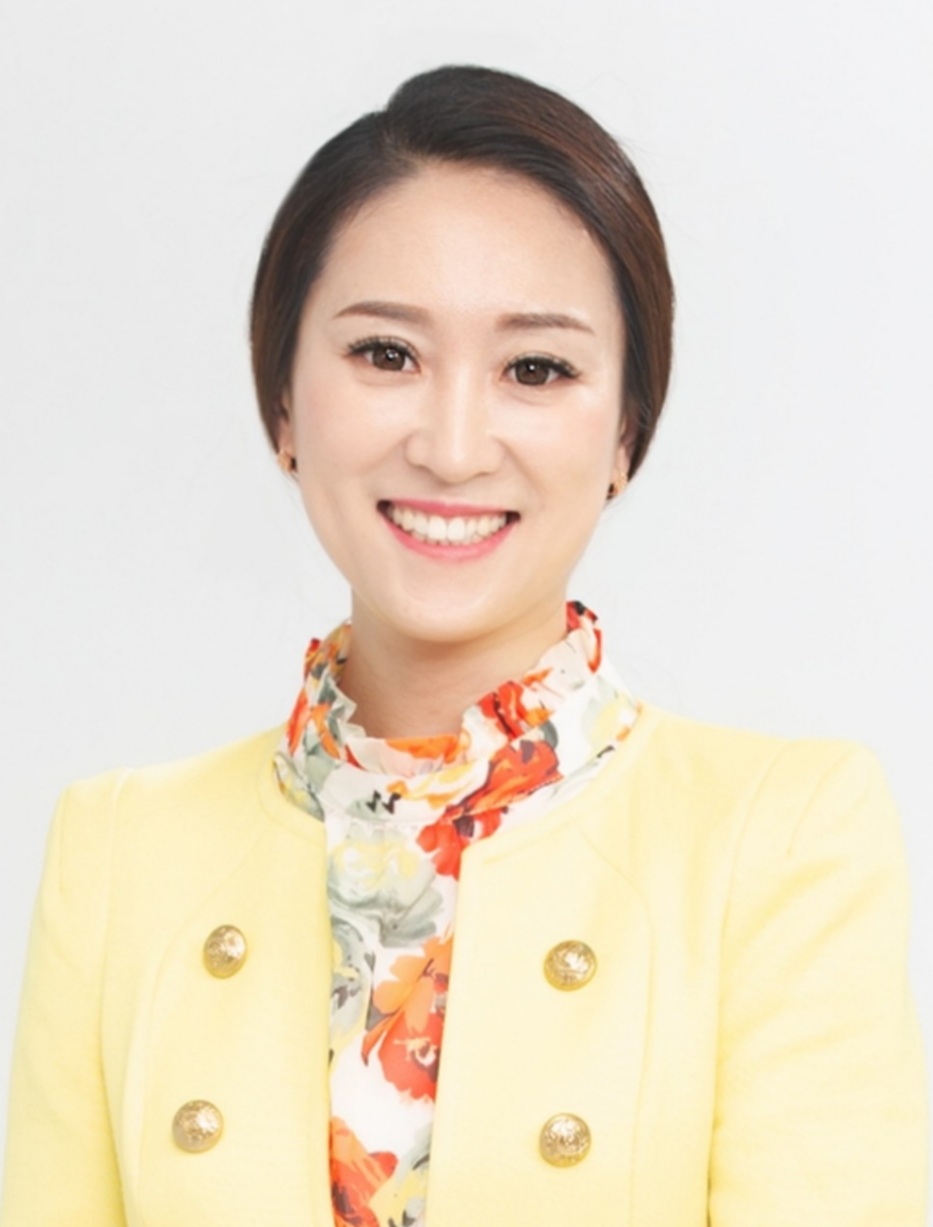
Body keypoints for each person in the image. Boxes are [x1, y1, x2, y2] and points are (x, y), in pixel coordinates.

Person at [0, 64, 926, 1227]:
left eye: (536, 369)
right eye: (387, 354)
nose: (451, 446)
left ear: (626, 432)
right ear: (283, 401)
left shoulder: (779, 839)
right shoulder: (120, 854)